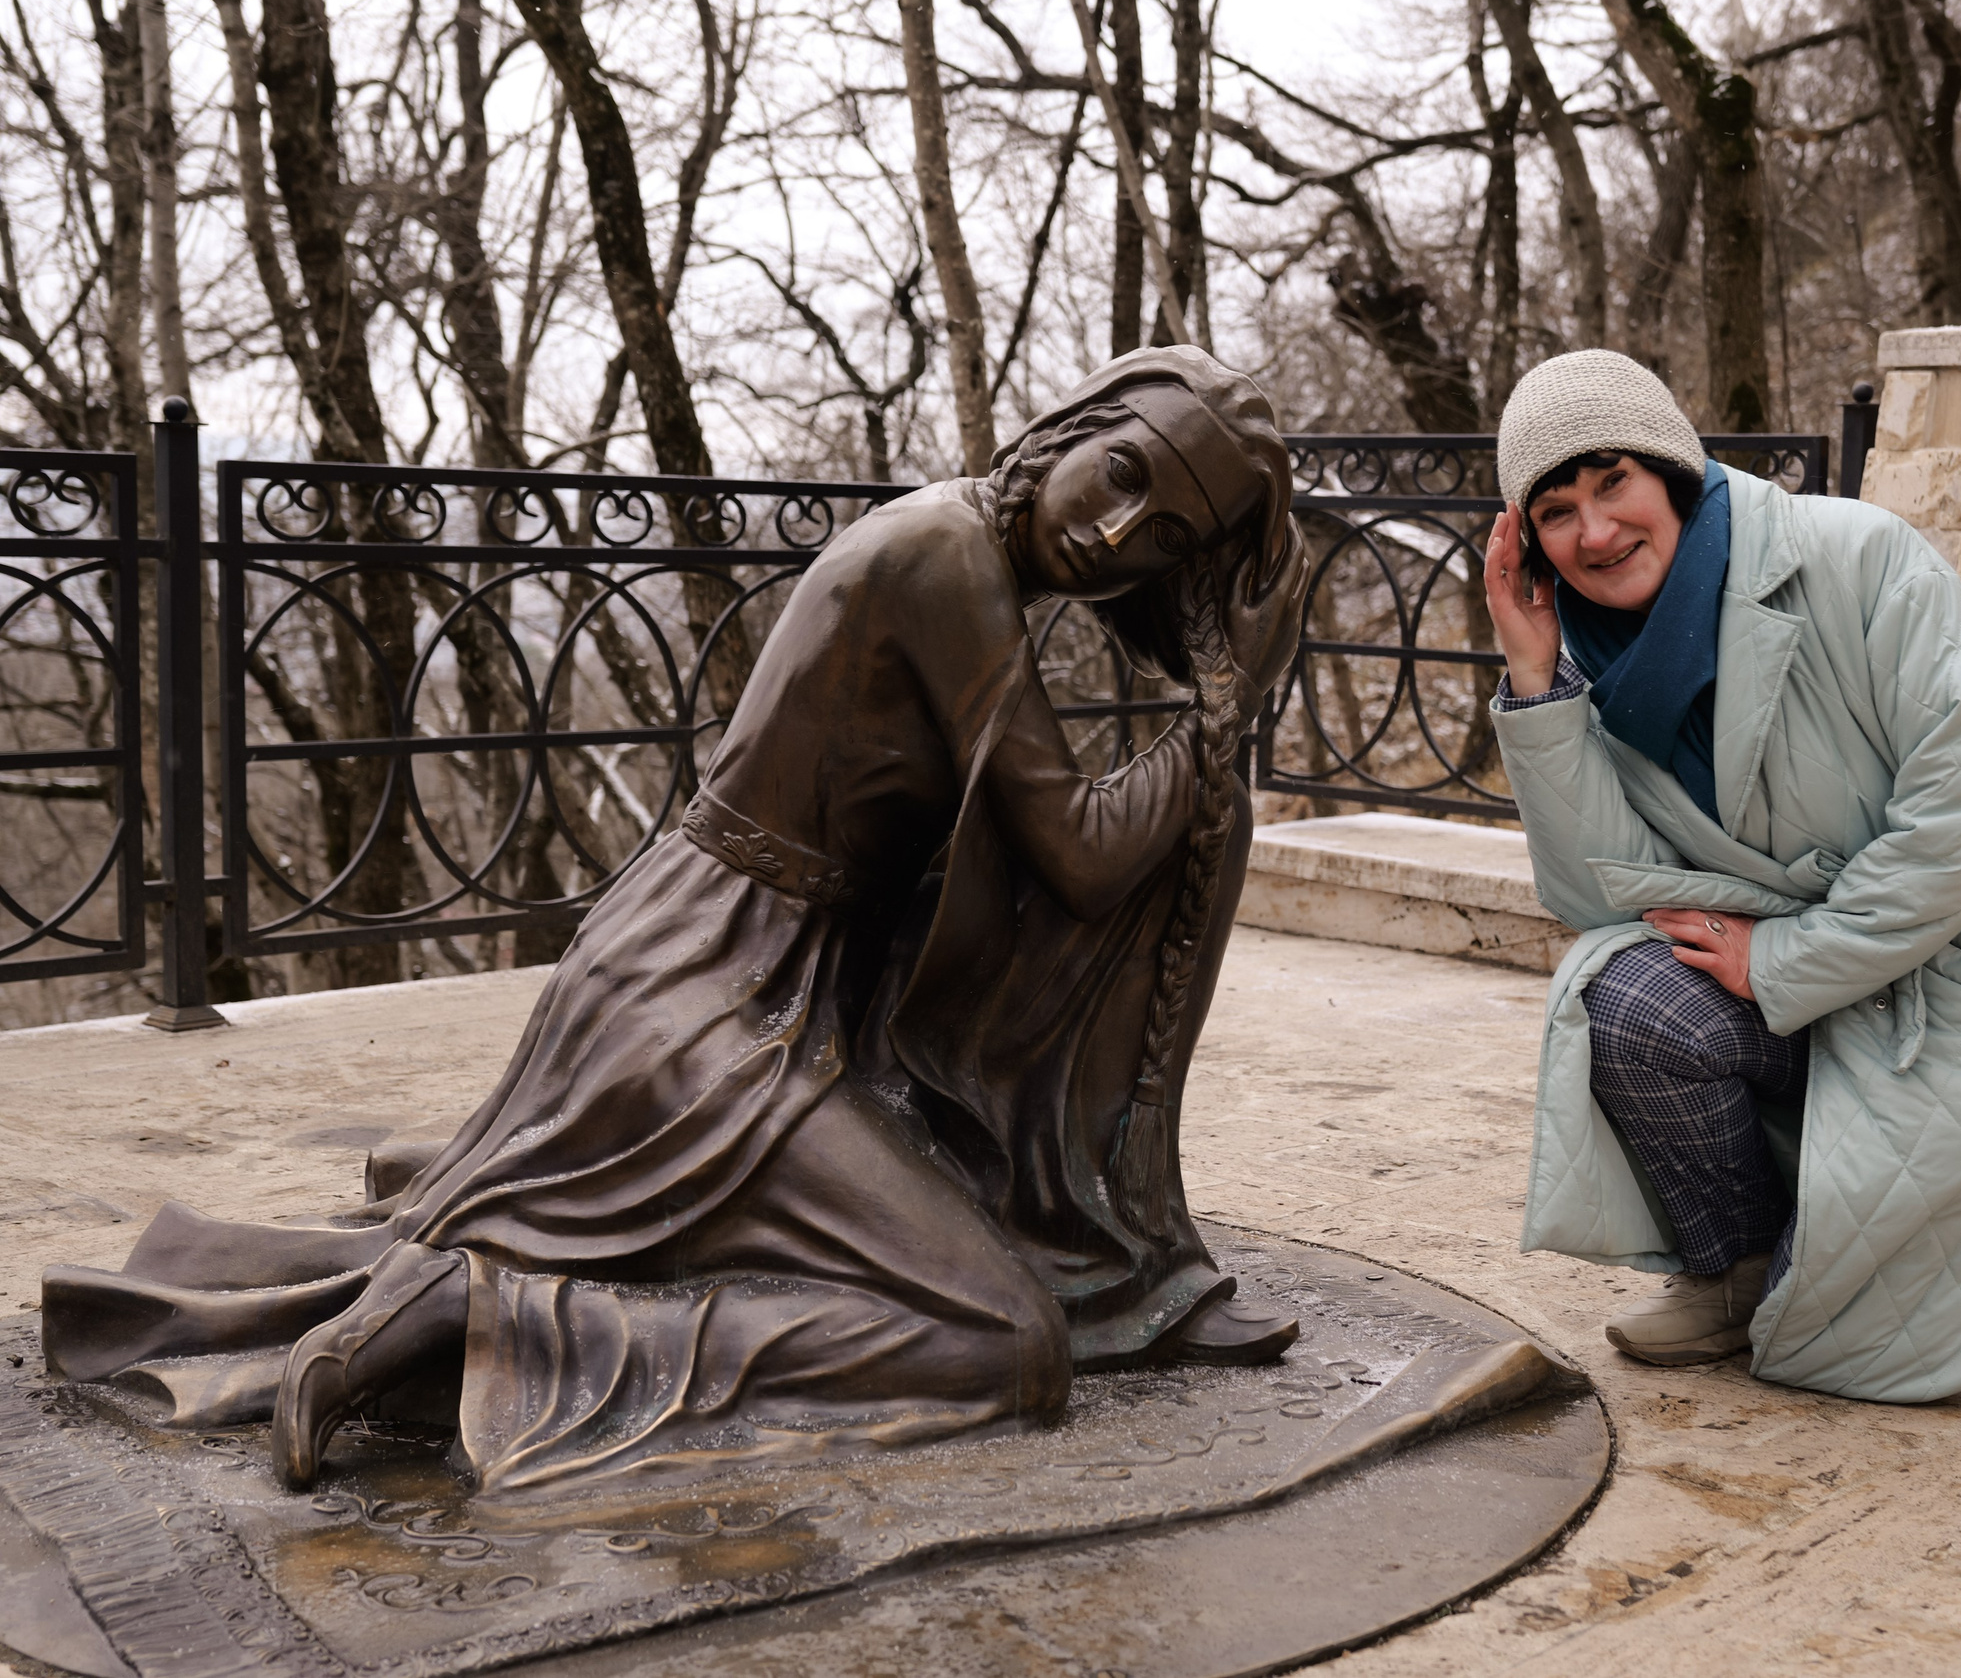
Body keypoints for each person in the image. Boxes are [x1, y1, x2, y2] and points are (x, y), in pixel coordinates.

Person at [42, 346, 1314, 1494]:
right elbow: (1084, 856)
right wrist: (1225, 706)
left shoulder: (974, 561)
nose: (1119, 530)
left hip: (768, 988)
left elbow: (1039, 862)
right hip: (708, 998)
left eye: (1165, 538)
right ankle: (484, 1316)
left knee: (983, 1247)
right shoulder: (943, 555)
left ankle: (1123, 1262)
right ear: (1074, 425)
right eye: (1124, 472)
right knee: (998, 1341)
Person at [1479, 350, 1961, 1400]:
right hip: (1804, 982)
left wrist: (1789, 957)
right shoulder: (1592, 665)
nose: (1594, 532)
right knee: (1626, 996)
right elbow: (1603, 894)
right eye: (1556, 511)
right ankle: (1737, 1273)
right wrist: (1531, 679)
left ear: (1671, 474)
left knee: (1861, 1312)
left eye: (1613, 484)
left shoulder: (1855, 555)